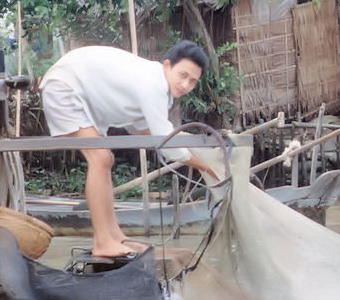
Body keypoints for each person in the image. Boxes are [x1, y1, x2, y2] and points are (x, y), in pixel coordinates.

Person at [40, 40, 216, 259]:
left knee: (105, 159)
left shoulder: (157, 85)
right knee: (100, 159)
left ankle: (114, 236)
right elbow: (167, 145)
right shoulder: (154, 85)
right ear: (167, 65)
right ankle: (104, 242)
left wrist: (196, 143)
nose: (185, 85)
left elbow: (146, 131)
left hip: (79, 93)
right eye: (183, 75)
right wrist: (207, 167)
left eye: (192, 81)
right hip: (64, 87)